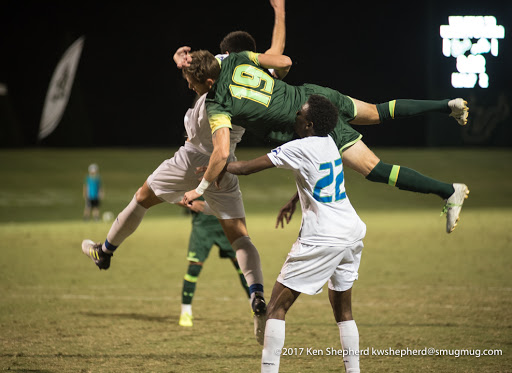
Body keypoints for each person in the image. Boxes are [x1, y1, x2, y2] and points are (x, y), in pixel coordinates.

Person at [81, 0, 287, 345]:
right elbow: (277, 54)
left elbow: (198, 67)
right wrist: (280, 12)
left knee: (142, 199)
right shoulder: (261, 77)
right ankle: (256, 294)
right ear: (253, 55)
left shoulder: (224, 62)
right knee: (240, 236)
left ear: (227, 52)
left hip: (192, 157)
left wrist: (182, 61)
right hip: (225, 162)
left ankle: (105, 251)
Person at [180, 49, 469, 234]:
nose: (189, 87)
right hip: (315, 94)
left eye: (191, 83)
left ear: (207, 83)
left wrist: (200, 188)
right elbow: (284, 62)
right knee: (380, 111)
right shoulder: (234, 58)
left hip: (309, 121)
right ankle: (448, 105)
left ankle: (448, 191)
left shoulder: (217, 103)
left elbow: (220, 153)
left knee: (374, 169)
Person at [225, 95, 365, 373]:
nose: (296, 117)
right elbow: (318, 178)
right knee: (343, 312)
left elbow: (247, 168)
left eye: (300, 114)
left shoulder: (298, 147)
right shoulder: (330, 143)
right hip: (351, 232)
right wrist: (293, 202)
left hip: (322, 237)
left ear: (309, 124)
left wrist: (218, 164)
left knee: (275, 306)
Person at [178, 198, 249, 327]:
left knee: (241, 265)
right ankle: (186, 312)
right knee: (194, 268)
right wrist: (190, 204)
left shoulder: (223, 177)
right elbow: (169, 194)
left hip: (224, 223)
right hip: (202, 226)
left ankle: (256, 307)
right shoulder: (189, 178)